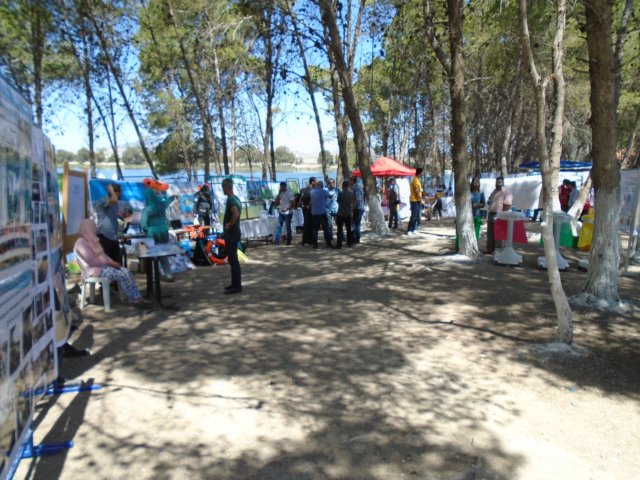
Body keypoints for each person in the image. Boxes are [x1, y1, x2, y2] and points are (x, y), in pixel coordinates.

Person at [74, 219, 151, 309]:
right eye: (93, 228)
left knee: (126, 271)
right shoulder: (81, 243)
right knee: (122, 274)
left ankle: (137, 297)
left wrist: (112, 262)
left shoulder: (91, 240)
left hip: (101, 268)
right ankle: (134, 299)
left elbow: (103, 255)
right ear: (87, 229)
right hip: (93, 271)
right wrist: (109, 263)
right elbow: (92, 261)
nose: (95, 230)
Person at [141, 178, 177, 280]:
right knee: (164, 254)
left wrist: (147, 230)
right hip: (163, 232)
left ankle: (155, 276)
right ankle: (168, 274)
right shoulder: (161, 205)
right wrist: (172, 197)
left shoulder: (147, 210)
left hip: (153, 233)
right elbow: (168, 201)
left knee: (153, 255)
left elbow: (143, 224)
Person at [222, 178, 242, 294]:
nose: (222, 190)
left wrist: (230, 225)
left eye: (223, 187)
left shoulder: (231, 200)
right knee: (232, 259)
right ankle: (234, 283)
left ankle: (237, 286)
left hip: (232, 234)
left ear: (226, 187)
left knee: (233, 260)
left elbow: (235, 213)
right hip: (233, 233)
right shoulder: (235, 198)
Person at [95, 183, 123, 264]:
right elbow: (114, 200)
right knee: (106, 263)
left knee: (116, 262)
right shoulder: (104, 199)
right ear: (116, 192)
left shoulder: (115, 203)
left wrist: (123, 215)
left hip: (114, 236)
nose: (121, 194)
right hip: (104, 236)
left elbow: (115, 213)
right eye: (120, 192)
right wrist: (111, 190)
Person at [486, 176, 513, 254]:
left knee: (499, 233)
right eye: (497, 182)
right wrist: (489, 202)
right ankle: (490, 249)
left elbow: (507, 205)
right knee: (490, 233)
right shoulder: (494, 192)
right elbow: (489, 201)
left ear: (503, 183)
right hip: (491, 213)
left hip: (500, 214)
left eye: (500, 182)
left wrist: (502, 215)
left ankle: (498, 250)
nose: (498, 184)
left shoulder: (507, 193)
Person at [310, 180, 332, 248]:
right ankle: (328, 243)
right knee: (325, 228)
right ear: (322, 185)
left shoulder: (312, 191)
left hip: (314, 213)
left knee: (315, 229)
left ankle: (315, 244)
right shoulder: (323, 191)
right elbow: (330, 196)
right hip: (322, 212)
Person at [335, 180, 354, 248]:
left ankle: (339, 244)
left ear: (343, 186)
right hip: (348, 213)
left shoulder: (340, 193)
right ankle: (349, 243)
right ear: (348, 186)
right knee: (348, 229)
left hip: (341, 213)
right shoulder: (351, 193)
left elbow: (338, 201)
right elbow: (352, 202)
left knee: (339, 229)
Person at [298, 177, 317, 246]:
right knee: (308, 224)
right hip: (309, 209)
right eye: (315, 181)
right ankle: (307, 241)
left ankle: (308, 240)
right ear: (312, 182)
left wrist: (304, 205)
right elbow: (310, 199)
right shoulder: (310, 189)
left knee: (308, 224)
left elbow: (301, 200)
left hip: (306, 208)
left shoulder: (304, 189)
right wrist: (307, 205)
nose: (316, 183)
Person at [407, 167, 423, 235]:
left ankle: (413, 229)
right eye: (421, 173)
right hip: (414, 200)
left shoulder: (417, 180)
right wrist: (420, 198)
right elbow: (416, 191)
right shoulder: (415, 180)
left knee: (416, 216)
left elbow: (419, 190)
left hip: (417, 200)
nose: (422, 174)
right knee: (413, 216)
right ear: (419, 173)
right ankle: (409, 230)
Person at [351, 176, 365, 243]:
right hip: (361, 207)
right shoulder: (359, 187)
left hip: (357, 208)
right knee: (358, 223)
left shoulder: (355, 187)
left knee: (354, 223)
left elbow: (356, 199)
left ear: (352, 181)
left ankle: (355, 238)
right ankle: (357, 238)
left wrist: (352, 208)